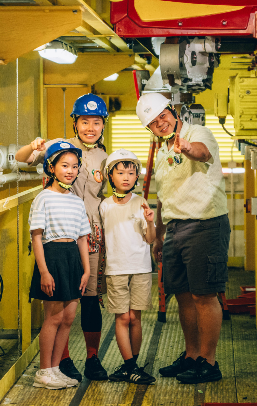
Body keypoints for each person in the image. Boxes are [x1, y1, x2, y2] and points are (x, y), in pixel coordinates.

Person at [135, 92, 230, 384]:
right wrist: (160, 236)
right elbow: (164, 198)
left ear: (172, 111)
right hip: (176, 228)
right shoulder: (162, 151)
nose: (160, 123)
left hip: (205, 224)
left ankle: (209, 362)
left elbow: (201, 152)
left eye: (162, 116)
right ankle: (191, 355)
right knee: (183, 296)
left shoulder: (196, 133)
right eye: (153, 123)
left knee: (204, 295)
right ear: (149, 129)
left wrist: (187, 147)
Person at [15, 93, 110, 381]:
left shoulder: (106, 158)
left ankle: (92, 357)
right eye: (84, 122)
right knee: (62, 302)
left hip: (90, 234)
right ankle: (62, 360)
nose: (90, 128)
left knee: (90, 297)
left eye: (96, 122)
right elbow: (22, 161)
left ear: (103, 125)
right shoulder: (60, 148)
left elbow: (114, 193)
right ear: (75, 123)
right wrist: (32, 147)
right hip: (57, 235)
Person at [28, 140, 91, 390]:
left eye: (75, 166)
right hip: (52, 256)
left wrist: (86, 270)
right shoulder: (43, 198)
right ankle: (43, 371)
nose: (70, 170)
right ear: (51, 168)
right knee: (53, 317)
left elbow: (83, 238)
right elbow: (36, 236)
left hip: (72, 257)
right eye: (64, 165)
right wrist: (44, 271)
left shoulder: (76, 201)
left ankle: (55, 369)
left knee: (68, 317)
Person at [98, 149, 157, 384]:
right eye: (120, 172)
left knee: (135, 318)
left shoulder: (141, 202)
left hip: (141, 268)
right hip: (115, 269)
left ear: (136, 177)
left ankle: (130, 366)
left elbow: (150, 239)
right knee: (122, 318)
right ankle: (132, 367)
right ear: (110, 176)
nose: (125, 177)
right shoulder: (104, 206)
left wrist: (151, 222)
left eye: (130, 173)